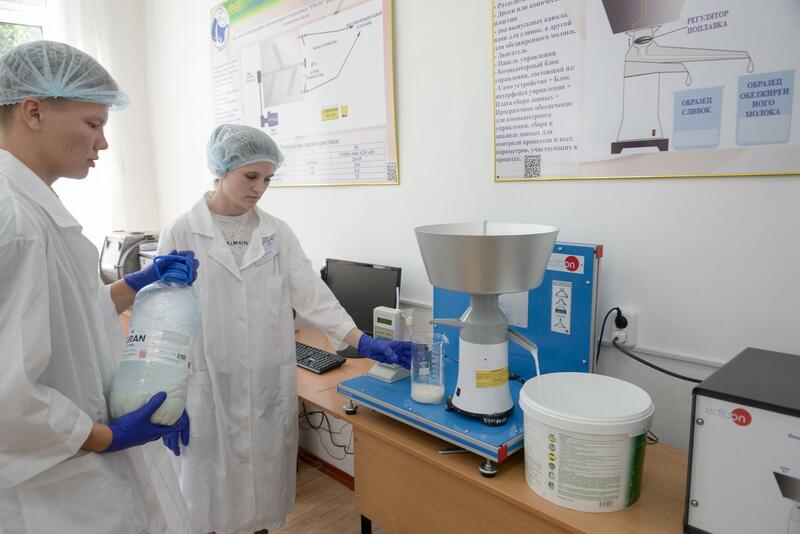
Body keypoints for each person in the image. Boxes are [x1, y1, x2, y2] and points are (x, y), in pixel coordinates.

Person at [157, 123, 412, 534]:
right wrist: (167, 399)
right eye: (251, 176)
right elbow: (164, 318)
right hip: (207, 384)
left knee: (260, 496)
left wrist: (361, 340)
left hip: (264, 381)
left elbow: (312, 294)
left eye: (268, 179)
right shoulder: (182, 231)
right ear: (221, 169)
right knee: (208, 498)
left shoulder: (276, 233)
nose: (259, 188)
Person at [0, 40, 195, 533]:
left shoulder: (32, 207)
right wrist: (107, 437)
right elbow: (7, 390)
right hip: (53, 490)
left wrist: (137, 282)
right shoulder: (16, 221)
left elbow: (69, 322)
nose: (103, 143)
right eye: (93, 124)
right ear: (33, 112)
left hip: (75, 475)